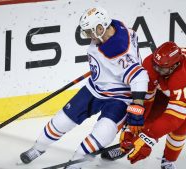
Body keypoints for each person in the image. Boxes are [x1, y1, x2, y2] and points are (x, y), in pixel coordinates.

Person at [19, 6, 149, 169]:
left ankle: (73, 166)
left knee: (100, 135)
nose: (87, 35)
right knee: (60, 121)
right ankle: (37, 149)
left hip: (120, 98)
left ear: (101, 28)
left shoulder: (117, 50)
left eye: (89, 31)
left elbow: (140, 76)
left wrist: (137, 107)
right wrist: (105, 69)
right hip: (94, 89)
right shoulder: (117, 26)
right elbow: (124, 55)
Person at [101, 41, 186, 169]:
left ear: (175, 66)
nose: (156, 70)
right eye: (155, 65)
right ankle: (129, 145)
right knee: (152, 113)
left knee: (183, 123)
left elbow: (175, 118)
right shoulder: (151, 64)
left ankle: (168, 160)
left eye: (161, 68)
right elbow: (144, 102)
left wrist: (148, 139)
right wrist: (131, 128)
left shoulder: (184, 76)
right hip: (172, 80)